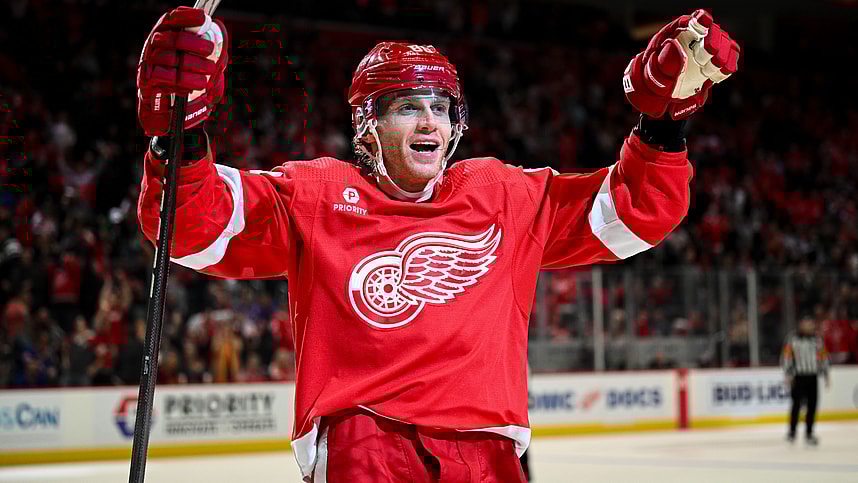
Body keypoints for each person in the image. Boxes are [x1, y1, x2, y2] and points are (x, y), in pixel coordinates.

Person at [135, 7, 738, 481]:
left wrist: (663, 125)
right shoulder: (316, 194)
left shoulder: (502, 194)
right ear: (367, 124)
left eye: (441, 108)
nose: (430, 123)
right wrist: (177, 138)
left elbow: (635, 215)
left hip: (488, 455)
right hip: (363, 447)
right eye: (407, 107)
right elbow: (192, 228)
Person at [781, 315, 831, 445]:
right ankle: (792, 432)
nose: (810, 326)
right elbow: (786, 357)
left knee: (812, 405)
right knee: (796, 405)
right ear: (801, 324)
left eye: (811, 323)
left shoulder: (817, 340)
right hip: (798, 377)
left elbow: (823, 357)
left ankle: (809, 433)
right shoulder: (793, 339)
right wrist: (788, 374)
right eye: (807, 323)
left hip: (812, 376)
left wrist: (826, 374)